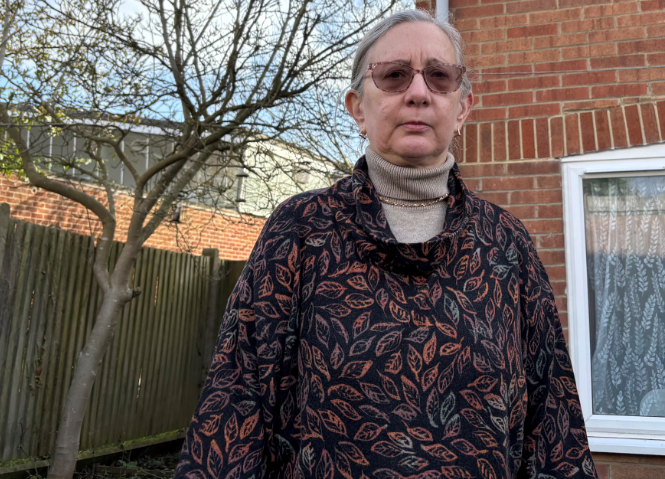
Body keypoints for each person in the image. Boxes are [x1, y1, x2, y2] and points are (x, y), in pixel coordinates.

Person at [175, 9, 597, 479]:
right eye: (394, 76)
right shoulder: (301, 231)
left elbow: (552, 418)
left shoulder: (507, 245)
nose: (418, 93)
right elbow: (237, 404)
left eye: (439, 76)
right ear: (357, 106)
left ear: (463, 108)